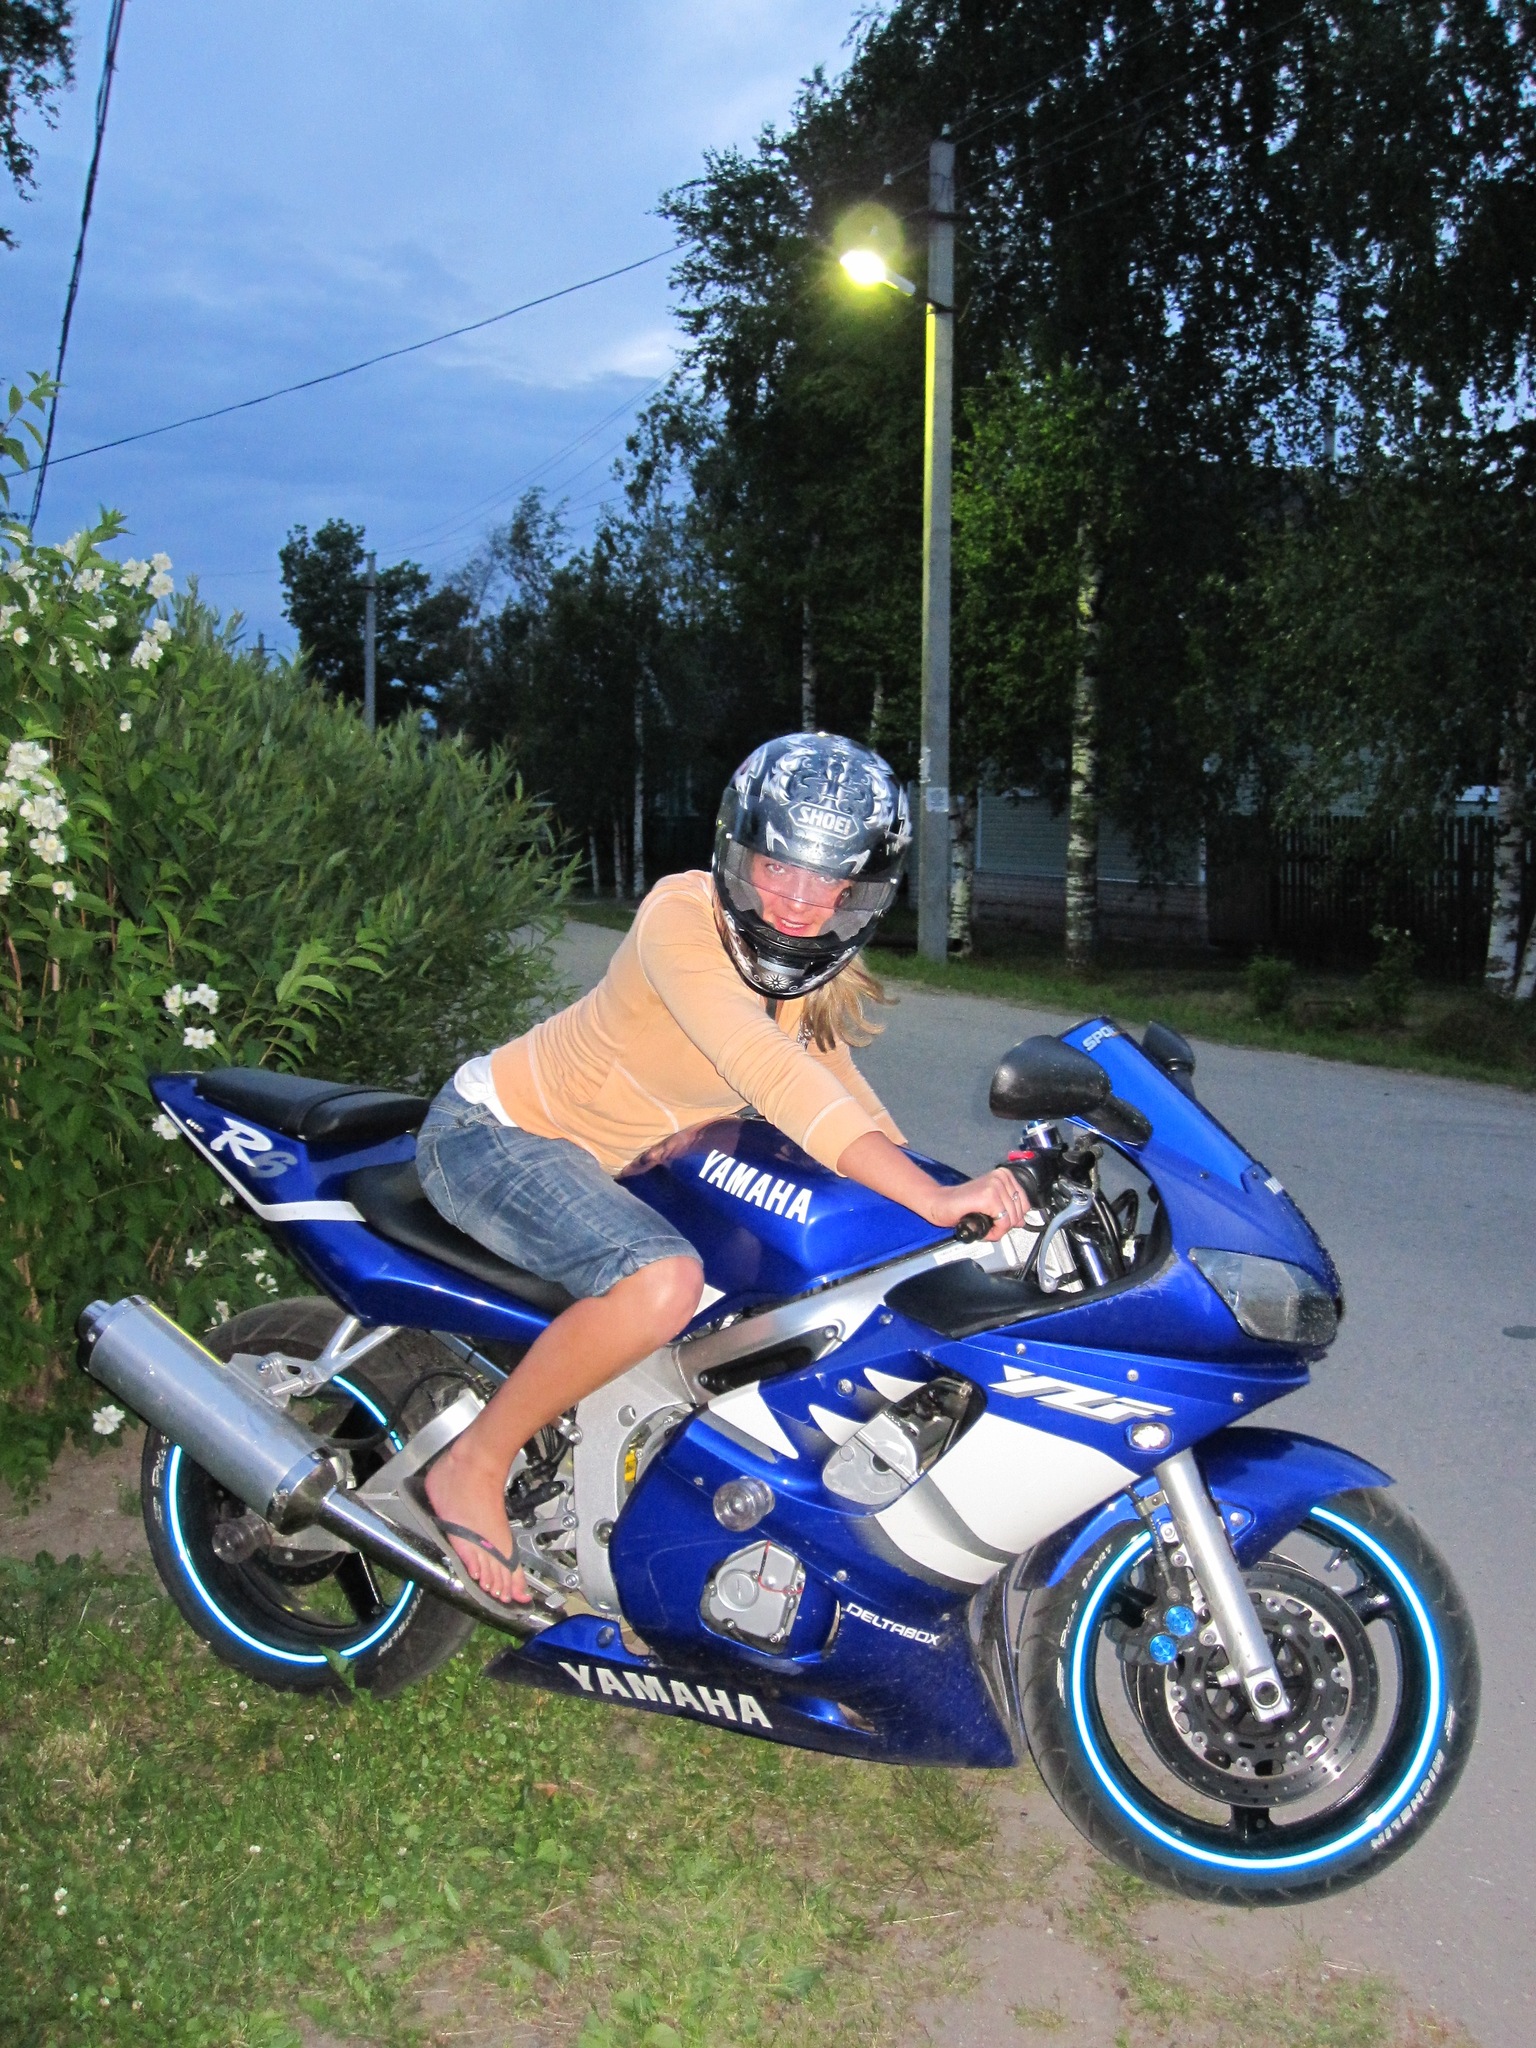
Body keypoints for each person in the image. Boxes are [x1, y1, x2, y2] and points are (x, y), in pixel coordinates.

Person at [417, 732, 1033, 1603]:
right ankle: (475, 1460)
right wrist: (931, 1197)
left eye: (829, 881)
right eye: (779, 868)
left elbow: (835, 1089)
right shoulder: (682, 915)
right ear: (739, 853)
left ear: (861, 892)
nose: (799, 902)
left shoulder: (801, 971)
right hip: (496, 1133)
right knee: (663, 1283)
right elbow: (768, 1071)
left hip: (614, 1165)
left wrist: (943, 1212)